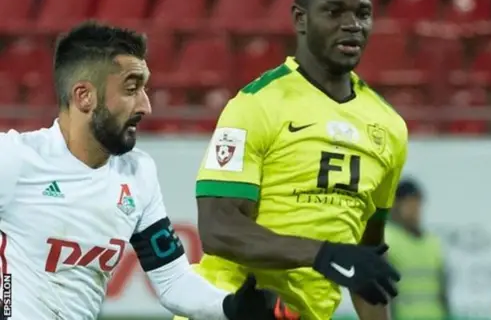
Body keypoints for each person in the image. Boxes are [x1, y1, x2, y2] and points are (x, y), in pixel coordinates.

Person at [0, 21, 286, 320]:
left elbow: (173, 281)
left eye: (144, 89)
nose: (146, 106)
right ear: (84, 96)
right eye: (131, 88)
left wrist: (234, 307)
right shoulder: (16, 158)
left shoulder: (138, 173)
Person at [176, 0, 409, 319]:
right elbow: (218, 228)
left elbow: (366, 257)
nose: (352, 25)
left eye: (363, 13)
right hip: (235, 309)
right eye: (334, 12)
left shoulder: (389, 127)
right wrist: (323, 254)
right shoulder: (256, 105)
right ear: (300, 19)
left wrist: (343, 260)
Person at [386, 179, 450, 320]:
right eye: (409, 204)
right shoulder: (387, 240)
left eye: (417, 204)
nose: (415, 210)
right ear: (396, 205)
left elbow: (443, 290)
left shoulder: (433, 242)